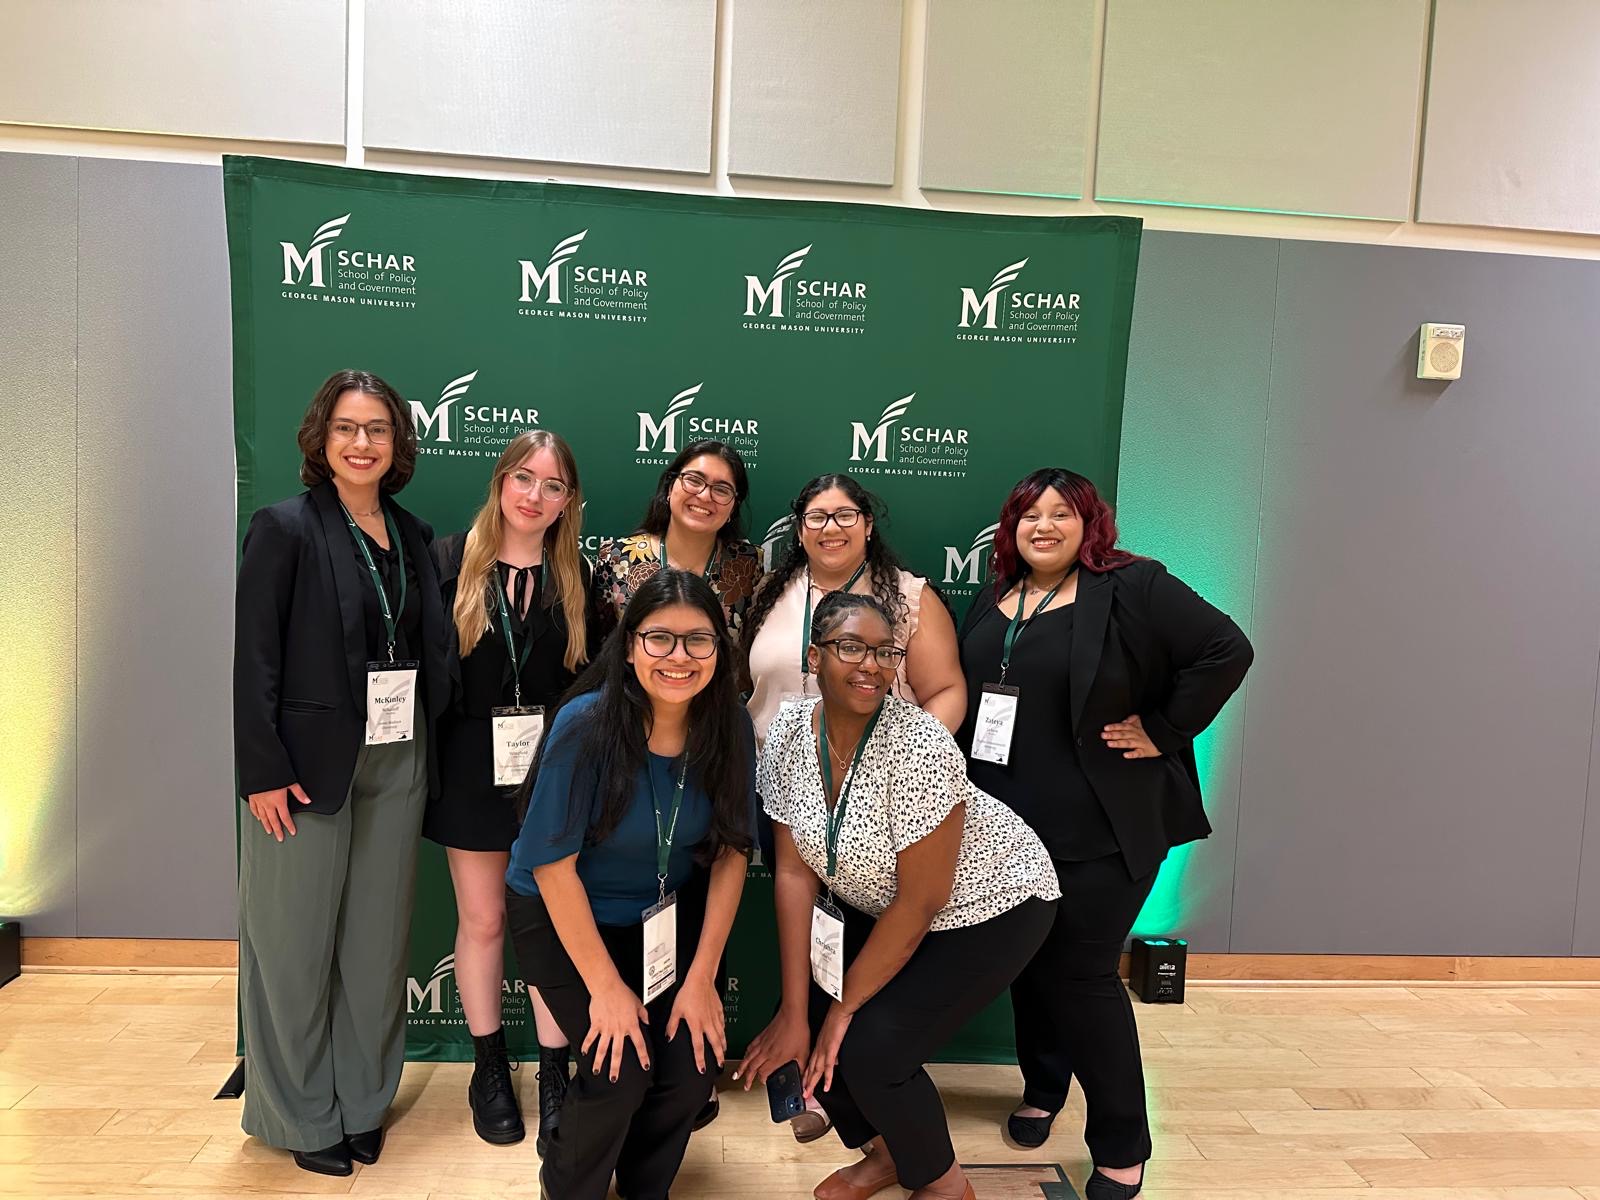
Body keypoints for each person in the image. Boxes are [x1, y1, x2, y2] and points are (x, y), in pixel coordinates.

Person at [955, 468, 1254, 1200]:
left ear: (1090, 525)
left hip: (1104, 828)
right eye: (1029, 514)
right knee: (1029, 964)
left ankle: (1122, 1144)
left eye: (1062, 513)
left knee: (1083, 976)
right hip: (1006, 827)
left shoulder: (1132, 585)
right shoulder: (994, 596)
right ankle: (1043, 1089)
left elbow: (1228, 648)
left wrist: (1166, 728)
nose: (1044, 526)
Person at [739, 592, 1060, 1200]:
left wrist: (841, 1011)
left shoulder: (918, 745)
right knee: (805, 1033)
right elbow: (794, 874)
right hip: (885, 905)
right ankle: (888, 1154)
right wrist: (795, 1012)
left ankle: (944, 1185)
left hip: (995, 903)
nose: (871, 665)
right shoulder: (786, 733)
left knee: (869, 1049)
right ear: (814, 657)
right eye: (851, 647)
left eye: (886, 652)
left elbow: (920, 902)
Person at [233, 369, 448, 1177]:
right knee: (290, 949)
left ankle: (362, 1103)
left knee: (375, 948)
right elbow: (254, 656)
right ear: (321, 438)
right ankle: (298, 1112)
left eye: (378, 430)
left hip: (399, 758)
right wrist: (261, 768)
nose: (362, 443)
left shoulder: (414, 535)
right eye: (347, 428)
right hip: (302, 769)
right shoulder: (283, 527)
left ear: (398, 444)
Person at [505, 569, 758, 1200]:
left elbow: (732, 854)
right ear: (628, 646)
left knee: (692, 1063)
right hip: (562, 913)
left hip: (660, 916)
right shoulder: (585, 724)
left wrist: (701, 979)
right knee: (617, 1067)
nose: (680, 657)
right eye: (659, 638)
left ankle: (646, 1186)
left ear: (719, 650)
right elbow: (552, 868)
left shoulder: (730, 725)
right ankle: (568, 1188)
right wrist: (606, 990)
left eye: (698, 640)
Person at [427, 430, 598, 1153]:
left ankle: (555, 1071)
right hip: (470, 767)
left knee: (551, 922)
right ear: (501, 481)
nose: (534, 495)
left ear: (567, 502)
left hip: (552, 774)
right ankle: (489, 1067)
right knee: (484, 920)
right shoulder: (448, 562)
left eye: (552, 485)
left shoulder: (579, 578)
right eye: (524, 477)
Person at [744, 473, 965, 741]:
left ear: (868, 525)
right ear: (800, 532)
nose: (831, 528)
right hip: (771, 763)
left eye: (845, 515)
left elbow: (946, 692)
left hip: (877, 765)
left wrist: (909, 755)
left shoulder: (910, 597)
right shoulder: (769, 592)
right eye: (817, 517)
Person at [592, 440, 762, 643]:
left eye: (721, 489)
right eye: (694, 480)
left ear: (733, 508)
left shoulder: (748, 564)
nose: (704, 495)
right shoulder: (617, 557)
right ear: (670, 488)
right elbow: (601, 649)